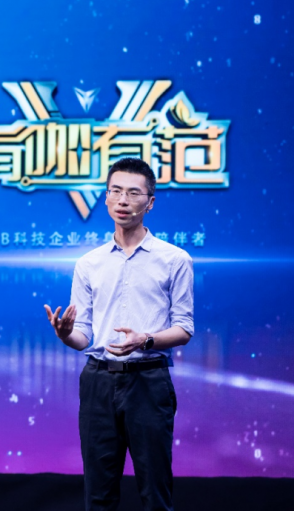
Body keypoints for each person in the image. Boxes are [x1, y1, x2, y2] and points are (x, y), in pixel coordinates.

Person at [43, 157, 194, 511]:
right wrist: (66, 335)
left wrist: (146, 339)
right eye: (115, 191)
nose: (123, 200)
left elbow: (184, 328)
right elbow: (83, 335)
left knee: (155, 493)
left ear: (150, 202)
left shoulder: (175, 260)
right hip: (98, 382)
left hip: (148, 382)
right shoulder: (89, 264)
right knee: (98, 494)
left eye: (133, 193)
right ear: (106, 198)